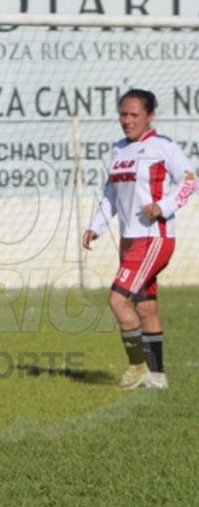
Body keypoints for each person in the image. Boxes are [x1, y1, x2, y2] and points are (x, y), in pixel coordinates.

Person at [83, 89, 195, 390]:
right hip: (129, 239)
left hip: (153, 236)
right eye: (123, 114)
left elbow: (190, 182)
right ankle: (157, 377)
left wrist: (163, 207)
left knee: (118, 301)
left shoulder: (163, 146)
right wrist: (96, 225)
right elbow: (111, 193)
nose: (127, 120)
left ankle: (137, 366)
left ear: (149, 116)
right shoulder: (119, 149)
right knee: (145, 307)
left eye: (134, 115)